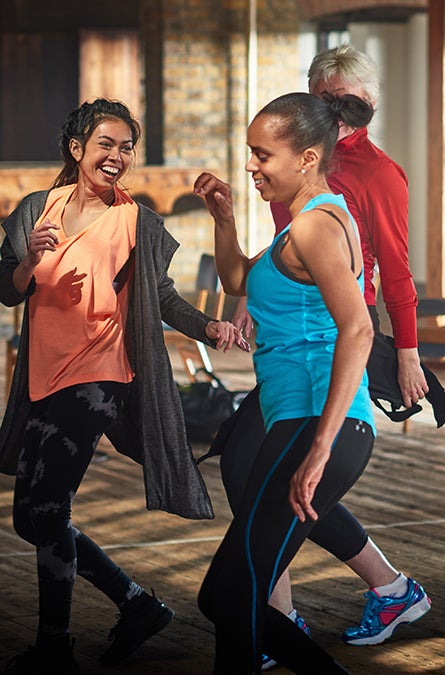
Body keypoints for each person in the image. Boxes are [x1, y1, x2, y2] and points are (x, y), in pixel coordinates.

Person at [0, 99, 243, 674]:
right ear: (77, 148)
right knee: (30, 518)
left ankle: (55, 648)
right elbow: (8, 289)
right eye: (105, 144)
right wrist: (28, 263)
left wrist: (206, 324)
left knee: (50, 506)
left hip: (99, 374)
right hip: (41, 375)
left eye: (126, 146)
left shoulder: (137, 222)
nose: (117, 156)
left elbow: (160, 297)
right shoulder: (40, 209)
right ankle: (136, 604)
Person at [218, 44, 432, 664]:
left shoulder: (374, 176)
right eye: (322, 94)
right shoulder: (300, 179)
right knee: (245, 469)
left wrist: (410, 351)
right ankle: (283, 612)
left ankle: (272, 616)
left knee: (280, 486)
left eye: (346, 97)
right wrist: (254, 291)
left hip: (328, 353)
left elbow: (390, 276)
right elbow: (274, 266)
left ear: (362, 103)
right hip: (296, 348)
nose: (334, 106)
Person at [194, 91, 379, 674]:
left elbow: (359, 329)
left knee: (229, 594)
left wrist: (319, 447)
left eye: (262, 154)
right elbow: (237, 279)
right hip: (297, 419)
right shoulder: (304, 223)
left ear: (306, 158)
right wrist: (224, 219)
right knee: (230, 595)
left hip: (315, 420)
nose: (250, 165)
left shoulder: (316, 227)